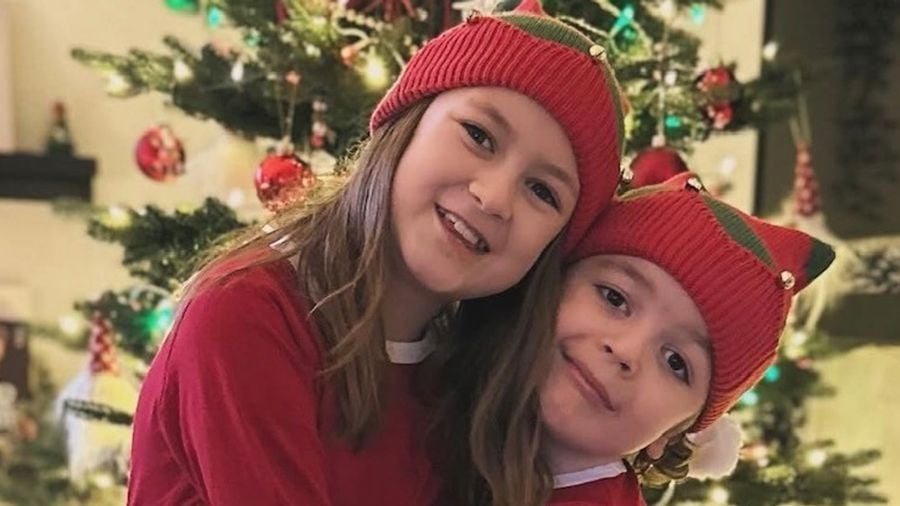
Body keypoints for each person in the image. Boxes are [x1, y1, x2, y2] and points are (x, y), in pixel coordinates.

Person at [126, 0, 626, 503]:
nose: (494, 198)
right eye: (478, 135)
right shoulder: (247, 316)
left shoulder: (462, 382)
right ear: (406, 122)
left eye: (542, 192)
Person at [441, 173, 835, 506]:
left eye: (676, 363)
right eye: (614, 298)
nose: (626, 350)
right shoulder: (430, 384)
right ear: (552, 285)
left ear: (672, 433)